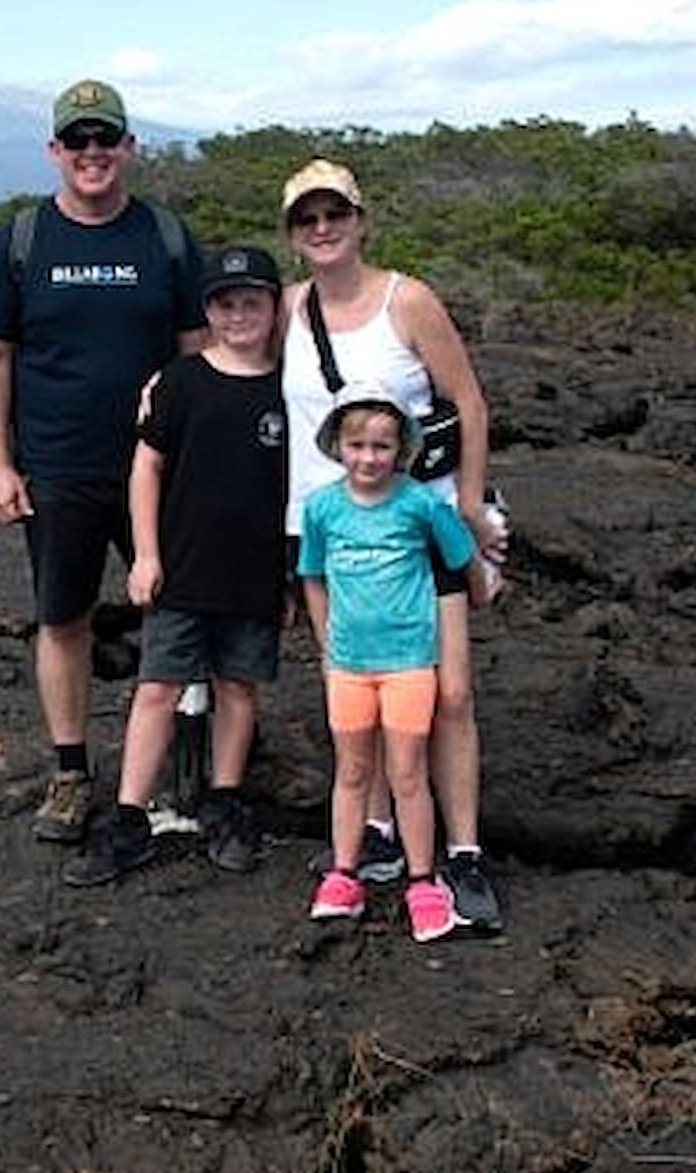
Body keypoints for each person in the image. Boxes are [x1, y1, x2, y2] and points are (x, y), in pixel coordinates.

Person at [0, 79, 206, 844]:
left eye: (107, 139)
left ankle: (179, 765)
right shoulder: (23, 241)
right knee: (62, 617)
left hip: (157, 470)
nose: (94, 153)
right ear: (55, 152)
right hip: (58, 468)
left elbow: (198, 354)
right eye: (79, 141)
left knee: (176, 611)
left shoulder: (165, 238)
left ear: (129, 147)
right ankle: (71, 772)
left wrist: (204, 462)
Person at [279, 158, 510, 931]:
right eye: (306, 218)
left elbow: (467, 400)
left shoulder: (407, 300)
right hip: (333, 532)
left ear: (360, 219)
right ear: (291, 233)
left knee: (450, 693)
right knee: (358, 680)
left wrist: (471, 506)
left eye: (333, 214)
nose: (322, 228)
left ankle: (464, 851)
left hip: (419, 526)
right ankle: (377, 835)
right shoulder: (286, 310)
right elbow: (228, 358)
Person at [63, 246, 288, 886]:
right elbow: (147, 466)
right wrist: (147, 553)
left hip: (255, 570)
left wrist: (293, 573)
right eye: (225, 302)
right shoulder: (183, 380)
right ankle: (130, 815)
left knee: (239, 686)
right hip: (182, 567)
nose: (239, 314)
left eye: (253, 301)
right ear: (207, 310)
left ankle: (224, 800)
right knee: (158, 686)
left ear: (275, 307)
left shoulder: (288, 388)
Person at [296, 383, 479, 941]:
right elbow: (313, 575)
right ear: (338, 446)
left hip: (409, 663)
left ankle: (423, 882)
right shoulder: (322, 507)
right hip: (350, 664)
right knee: (352, 771)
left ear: (400, 450)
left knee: (405, 773)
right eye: (357, 446)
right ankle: (344, 875)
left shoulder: (419, 503)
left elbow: (460, 555)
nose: (368, 458)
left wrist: (484, 584)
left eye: (381, 447)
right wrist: (327, 645)